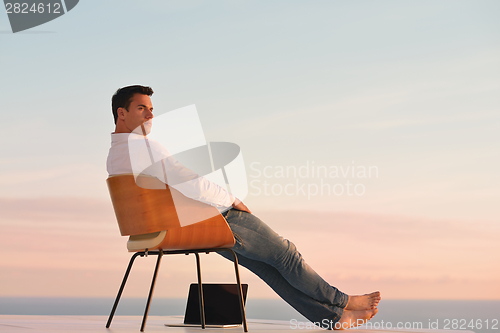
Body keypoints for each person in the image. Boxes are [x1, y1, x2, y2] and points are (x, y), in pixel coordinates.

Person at [106, 85, 380, 330]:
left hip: (171, 227)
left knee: (269, 268)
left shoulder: (115, 156)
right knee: (286, 255)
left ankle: (333, 319)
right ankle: (343, 301)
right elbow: (190, 182)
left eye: (152, 110)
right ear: (122, 113)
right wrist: (232, 199)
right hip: (208, 220)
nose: (150, 116)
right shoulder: (143, 147)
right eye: (142, 108)